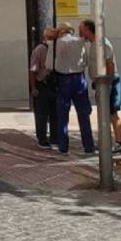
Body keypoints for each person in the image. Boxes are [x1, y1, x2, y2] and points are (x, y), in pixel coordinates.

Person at [46, 22, 95, 154]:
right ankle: (88, 145)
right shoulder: (80, 42)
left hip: (63, 80)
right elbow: (84, 61)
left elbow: (49, 65)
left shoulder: (54, 44)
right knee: (83, 114)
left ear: (60, 32)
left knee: (62, 115)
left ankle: (63, 146)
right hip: (79, 79)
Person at [79, 19, 121, 154]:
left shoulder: (103, 44)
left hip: (108, 82)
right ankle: (106, 142)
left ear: (88, 29)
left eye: (82, 30)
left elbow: (110, 64)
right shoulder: (93, 44)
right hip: (100, 83)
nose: (80, 34)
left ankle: (119, 143)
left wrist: (108, 84)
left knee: (112, 113)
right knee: (104, 113)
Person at [29, 27, 59, 149]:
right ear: (45, 37)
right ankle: (42, 138)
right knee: (42, 114)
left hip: (54, 84)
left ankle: (54, 138)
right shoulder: (39, 50)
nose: (52, 40)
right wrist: (33, 87)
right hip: (42, 83)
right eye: (50, 38)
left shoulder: (57, 49)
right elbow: (33, 70)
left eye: (54, 38)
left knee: (55, 113)